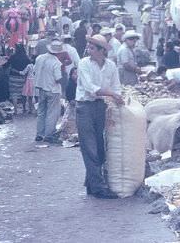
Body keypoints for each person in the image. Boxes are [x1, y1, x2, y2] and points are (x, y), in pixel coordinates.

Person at [76, 34, 124, 199]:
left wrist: (117, 97)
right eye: (88, 47)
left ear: (102, 51)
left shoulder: (111, 66)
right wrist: (112, 94)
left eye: (92, 48)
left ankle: (91, 183)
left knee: (100, 147)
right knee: (90, 148)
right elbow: (91, 88)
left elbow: (117, 87)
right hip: (85, 107)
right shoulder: (83, 64)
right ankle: (98, 188)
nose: (89, 50)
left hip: (101, 106)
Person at [33, 40, 65, 143]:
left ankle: (39, 133)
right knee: (52, 112)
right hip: (53, 89)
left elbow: (34, 71)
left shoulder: (39, 58)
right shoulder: (56, 62)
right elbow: (58, 78)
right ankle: (49, 134)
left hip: (41, 88)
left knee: (41, 112)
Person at [7, 44, 32, 114]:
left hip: (13, 77)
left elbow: (6, 65)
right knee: (23, 94)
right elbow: (30, 66)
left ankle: (15, 110)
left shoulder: (12, 57)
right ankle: (24, 108)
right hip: (22, 78)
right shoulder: (26, 58)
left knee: (14, 94)